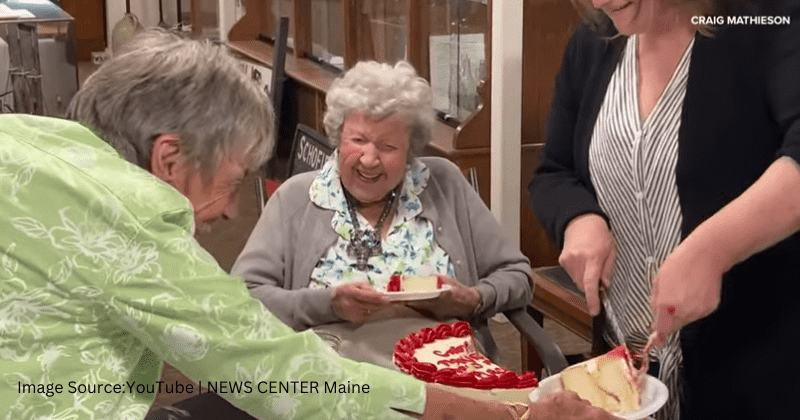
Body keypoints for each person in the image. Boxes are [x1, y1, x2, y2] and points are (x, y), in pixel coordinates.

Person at [0, 29, 618, 420]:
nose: (231, 212)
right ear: (169, 158)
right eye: (237, 177)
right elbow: (275, 372)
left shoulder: (19, 141)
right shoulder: (133, 220)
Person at [529, 0, 800, 419]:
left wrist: (714, 250)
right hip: (629, 370)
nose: (598, 1)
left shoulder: (764, 20)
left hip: (755, 373)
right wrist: (578, 218)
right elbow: (554, 172)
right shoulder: (593, 41)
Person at [231, 60, 532, 369]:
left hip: (445, 367)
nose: (370, 159)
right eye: (358, 140)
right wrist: (328, 304)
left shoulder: (444, 183)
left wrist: (473, 298)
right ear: (338, 135)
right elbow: (242, 298)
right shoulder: (297, 198)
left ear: (410, 150)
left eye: (388, 147)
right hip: (335, 373)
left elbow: (517, 274)